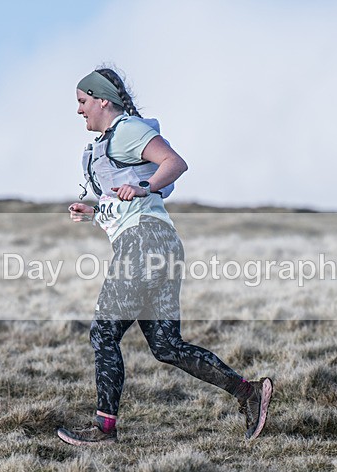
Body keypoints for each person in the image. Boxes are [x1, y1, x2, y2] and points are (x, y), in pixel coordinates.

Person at [56, 67, 273, 446]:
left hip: (144, 244)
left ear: (103, 99)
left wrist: (143, 186)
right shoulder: (110, 142)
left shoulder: (128, 130)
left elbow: (174, 163)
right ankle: (249, 393)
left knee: (104, 333)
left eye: (82, 101)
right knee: (166, 346)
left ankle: (104, 429)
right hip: (158, 243)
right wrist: (94, 214)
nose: (79, 111)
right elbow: (131, 201)